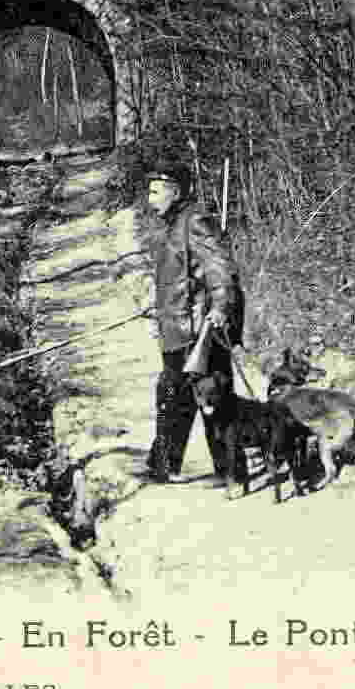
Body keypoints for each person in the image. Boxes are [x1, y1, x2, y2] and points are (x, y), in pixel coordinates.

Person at [144, 163, 245, 484]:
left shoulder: (195, 221)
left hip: (201, 329)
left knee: (212, 399)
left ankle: (230, 471)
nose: (150, 199)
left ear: (176, 192)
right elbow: (173, 279)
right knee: (175, 397)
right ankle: (164, 465)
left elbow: (220, 269)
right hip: (176, 328)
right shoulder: (168, 226)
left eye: (156, 191)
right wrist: (156, 312)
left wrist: (221, 307)